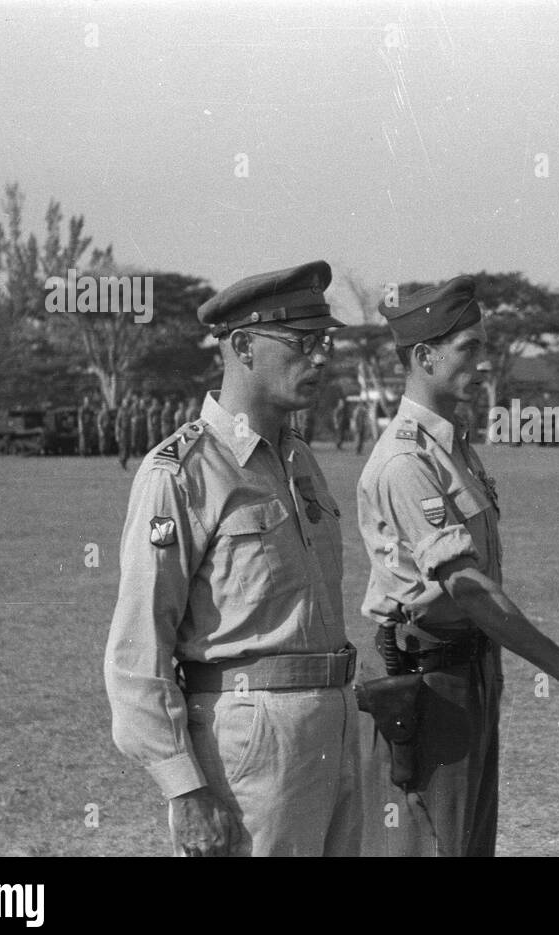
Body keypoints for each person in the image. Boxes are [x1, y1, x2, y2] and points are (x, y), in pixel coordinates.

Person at [355, 275, 559, 857]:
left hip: (471, 674)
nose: (482, 363)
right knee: (437, 846)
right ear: (425, 356)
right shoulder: (406, 460)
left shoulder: (452, 446)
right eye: (470, 348)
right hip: (431, 684)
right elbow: (470, 591)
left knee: (469, 844)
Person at [105, 260, 360, 857]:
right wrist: (183, 789)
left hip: (334, 727)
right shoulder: (183, 472)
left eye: (326, 341)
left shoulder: (298, 460)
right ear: (243, 345)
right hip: (251, 743)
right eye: (302, 342)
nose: (322, 357)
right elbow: (138, 648)